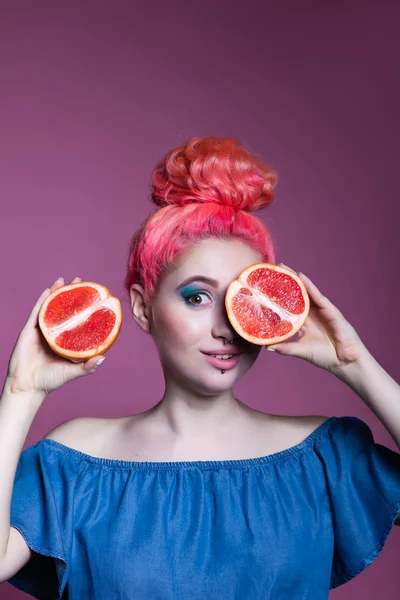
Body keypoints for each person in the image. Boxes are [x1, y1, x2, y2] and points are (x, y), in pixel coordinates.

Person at [1, 136, 400, 599]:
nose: (226, 327)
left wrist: (355, 364)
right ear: (143, 307)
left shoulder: (324, 455)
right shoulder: (73, 461)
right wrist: (21, 392)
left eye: (245, 299)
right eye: (197, 296)